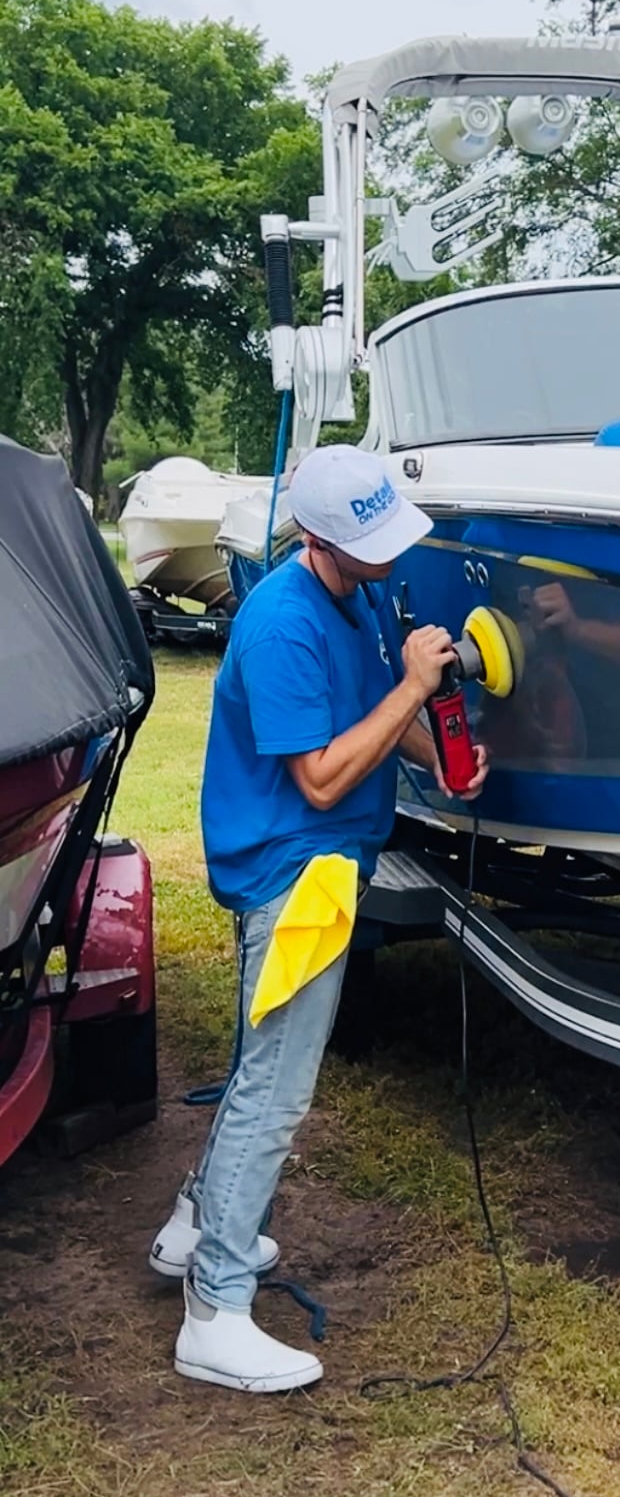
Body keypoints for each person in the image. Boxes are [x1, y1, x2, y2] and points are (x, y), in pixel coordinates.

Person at [149, 444, 486, 1393]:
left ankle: (194, 1226)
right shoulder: (280, 626)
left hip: (331, 860)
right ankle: (213, 1312)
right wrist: (418, 688)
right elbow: (325, 772)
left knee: (262, 1068)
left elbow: (379, 705)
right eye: (374, 540)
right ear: (322, 539)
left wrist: (445, 759)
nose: (393, 554)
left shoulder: (363, 592)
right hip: (294, 878)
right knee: (277, 1088)